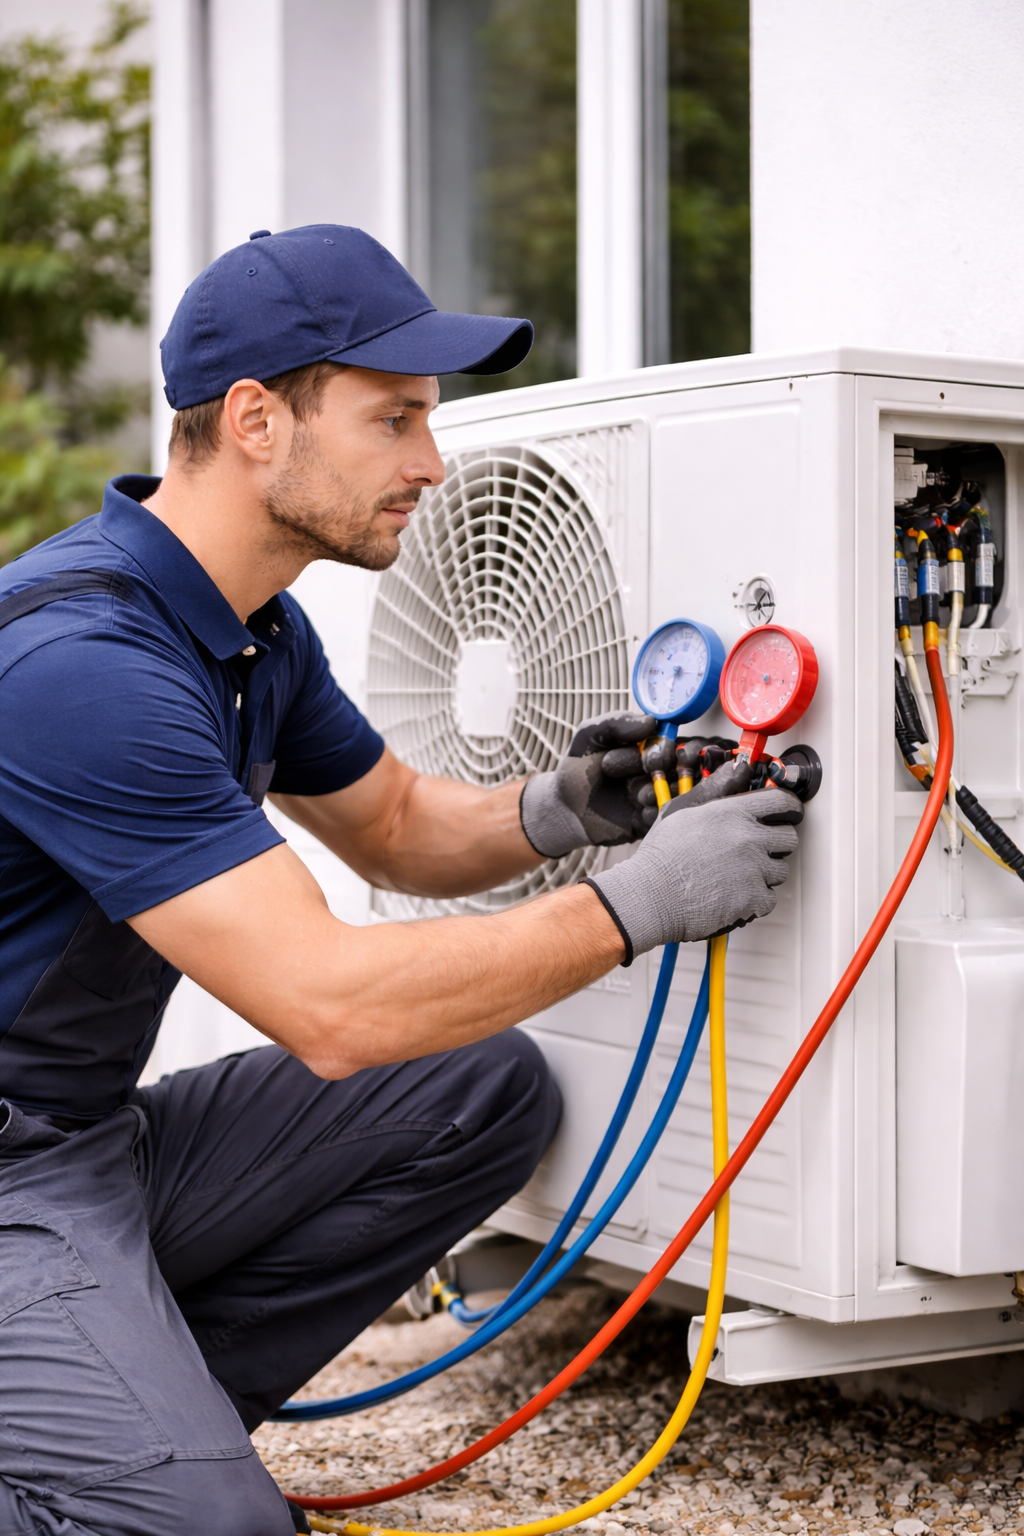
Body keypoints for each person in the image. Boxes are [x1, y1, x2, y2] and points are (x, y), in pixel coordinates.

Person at [0, 225, 801, 1536]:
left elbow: (396, 825)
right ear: (258, 419)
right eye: (396, 421)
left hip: (85, 1147)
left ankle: (127, 1418)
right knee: (215, 1533)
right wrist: (632, 904)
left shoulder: (254, 627)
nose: (432, 464)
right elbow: (333, 1008)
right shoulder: (83, 662)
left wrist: (562, 811)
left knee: (480, 1094)